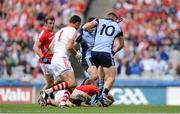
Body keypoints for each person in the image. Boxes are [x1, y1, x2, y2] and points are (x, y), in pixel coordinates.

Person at [39, 15, 82, 108]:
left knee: (70, 84)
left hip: (55, 58)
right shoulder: (73, 31)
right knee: (72, 83)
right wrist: (77, 54)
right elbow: (69, 46)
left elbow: (50, 47)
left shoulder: (60, 31)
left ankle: (62, 102)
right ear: (77, 23)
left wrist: (57, 53)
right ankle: (47, 91)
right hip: (62, 58)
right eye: (79, 25)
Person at [83, 12, 124, 107]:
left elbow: (85, 27)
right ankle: (103, 96)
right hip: (105, 52)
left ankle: (96, 95)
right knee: (111, 78)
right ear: (114, 18)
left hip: (94, 52)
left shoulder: (99, 21)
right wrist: (113, 52)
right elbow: (121, 44)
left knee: (99, 76)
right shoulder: (117, 27)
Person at [45, 79, 114, 107]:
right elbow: (106, 94)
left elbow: (79, 103)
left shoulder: (81, 88)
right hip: (65, 93)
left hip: (62, 95)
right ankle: (50, 100)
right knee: (86, 98)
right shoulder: (92, 87)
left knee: (70, 104)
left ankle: (48, 101)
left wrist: (87, 103)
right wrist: (112, 101)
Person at [33, 15, 55, 90]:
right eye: (50, 23)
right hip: (45, 62)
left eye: (53, 23)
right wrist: (43, 58)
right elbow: (35, 47)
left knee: (51, 83)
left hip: (52, 60)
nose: (52, 25)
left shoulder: (54, 33)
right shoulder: (44, 33)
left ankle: (44, 96)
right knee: (53, 82)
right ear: (46, 24)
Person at [76, 17, 98, 85]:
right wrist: (77, 53)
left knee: (98, 77)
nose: (93, 28)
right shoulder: (83, 34)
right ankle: (80, 89)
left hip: (95, 58)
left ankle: (87, 91)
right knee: (94, 76)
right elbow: (74, 43)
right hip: (87, 58)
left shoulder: (96, 32)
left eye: (94, 27)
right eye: (91, 26)